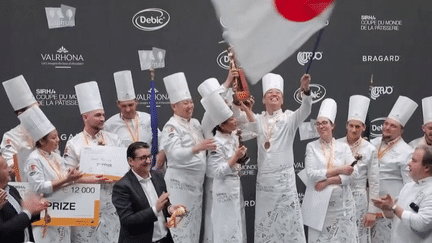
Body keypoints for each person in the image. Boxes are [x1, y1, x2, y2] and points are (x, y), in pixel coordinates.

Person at [235, 72, 311, 242]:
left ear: (282, 100)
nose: (274, 94)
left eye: (278, 93)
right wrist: (244, 107)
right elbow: (241, 128)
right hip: (265, 184)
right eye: (270, 92)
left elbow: (306, 109)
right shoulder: (257, 118)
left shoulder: (290, 118)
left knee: (288, 224)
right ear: (263, 99)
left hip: (285, 183)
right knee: (266, 225)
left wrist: (305, 92)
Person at [64, 81, 123, 243]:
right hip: (85, 206)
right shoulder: (73, 144)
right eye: (98, 115)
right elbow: (66, 179)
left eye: (103, 114)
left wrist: (117, 176)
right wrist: (88, 179)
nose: (103, 118)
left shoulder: (115, 140)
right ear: (85, 117)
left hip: (111, 205)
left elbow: (124, 171)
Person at [160, 72, 216, 243]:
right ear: (174, 106)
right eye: (185, 103)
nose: (190, 106)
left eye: (191, 102)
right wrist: (198, 147)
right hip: (179, 186)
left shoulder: (196, 123)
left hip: (196, 186)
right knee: (179, 228)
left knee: (193, 229)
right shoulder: (171, 126)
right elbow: (175, 154)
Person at [20, 106, 84, 242]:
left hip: (61, 212)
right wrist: (66, 179)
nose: (58, 140)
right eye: (53, 138)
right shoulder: (34, 159)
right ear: (42, 141)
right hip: (44, 216)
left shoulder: (55, 156)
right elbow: (38, 187)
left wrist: (72, 175)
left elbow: (64, 176)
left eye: (58, 137)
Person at [203, 92, 256, 243]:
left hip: (235, 187)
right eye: (231, 119)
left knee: (237, 227)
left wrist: (246, 109)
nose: (235, 121)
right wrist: (235, 158)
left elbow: (255, 129)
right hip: (223, 190)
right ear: (221, 125)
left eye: (234, 118)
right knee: (225, 228)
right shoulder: (215, 143)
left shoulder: (233, 135)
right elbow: (217, 172)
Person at [303, 98, 358, 242]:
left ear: (332, 125)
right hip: (319, 204)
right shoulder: (311, 147)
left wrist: (328, 181)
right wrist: (340, 169)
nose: (321, 126)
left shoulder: (343, 147)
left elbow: (354, 173)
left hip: (342, 205)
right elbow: (311, 174)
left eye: (325, 123)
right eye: (318, 123)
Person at [112, 142, 185, 243]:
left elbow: (164, 204)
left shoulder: (158, 176)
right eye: (143, 158)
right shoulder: (122, 186)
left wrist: (170, 209)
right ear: (131, 161)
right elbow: (127, 221)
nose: (148, 161)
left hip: (165, 239)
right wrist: (155, 209)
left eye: (149, 156)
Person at [370, 96, 417, 243]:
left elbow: (409, 186)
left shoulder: (407, 152)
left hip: (389, 211)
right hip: (369, 207)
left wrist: (395, 207)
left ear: (401, 131)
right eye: (386, 123)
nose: (387, 127)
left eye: (393, 126)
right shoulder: (373, 143)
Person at [337, 95, 380, 243]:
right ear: (346, 126)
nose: (354, 130)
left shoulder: (370, 149)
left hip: (359, 199)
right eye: (351, 126)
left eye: (357, 126)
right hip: (338, 197)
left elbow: (374, 182)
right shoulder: (336, 144)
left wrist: (371, 211)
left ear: (364, 128)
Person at [104, 70, 166, 169]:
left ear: (136, 102)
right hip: (124, 171)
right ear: (118, 104)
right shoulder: (109, 125)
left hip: (148, 168)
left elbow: (161, 139)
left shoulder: (148, 118)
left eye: (130, 105)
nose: (128, 109)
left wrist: (162, 152)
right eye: (124, 106)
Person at [372, 145, 432, 242]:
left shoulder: (430, 190)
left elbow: (422, 223)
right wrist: (386, 208)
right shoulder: (408, 186)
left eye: (414, 160)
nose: (409, 163)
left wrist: (394, 207)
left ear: (426, 167)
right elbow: (397, 216)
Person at [0, 154, 47, 243]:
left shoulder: (12, 190)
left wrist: (35, 211)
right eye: (5, 167)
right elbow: (3, 232)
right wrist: (28, 212)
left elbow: (23, 219)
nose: (10, 170)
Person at [1, 75, 39, 182]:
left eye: (38, 109)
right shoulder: (10, 136)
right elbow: (10, 167)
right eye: (33, 110)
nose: (38, 114)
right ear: (21, 114)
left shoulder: (46, 134)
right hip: (22, 187)